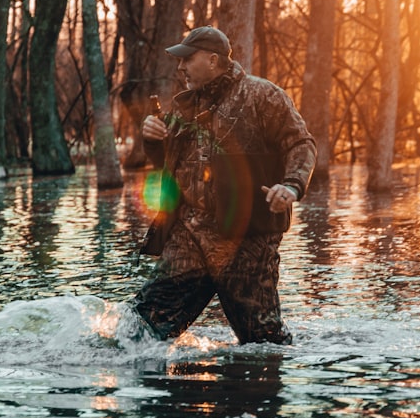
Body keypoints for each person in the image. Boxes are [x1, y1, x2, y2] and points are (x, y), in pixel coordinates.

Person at [133, 26, 316, 345]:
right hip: (190, 235)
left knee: (263, 343)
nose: (181, 67)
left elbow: (300, 144)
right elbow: (172, 165)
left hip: (246, 239)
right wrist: (152, 140)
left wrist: (291, 186)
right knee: (143, 329)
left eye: (187, 60)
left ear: (213, 59)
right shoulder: (185, 106)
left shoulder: (262, 95)